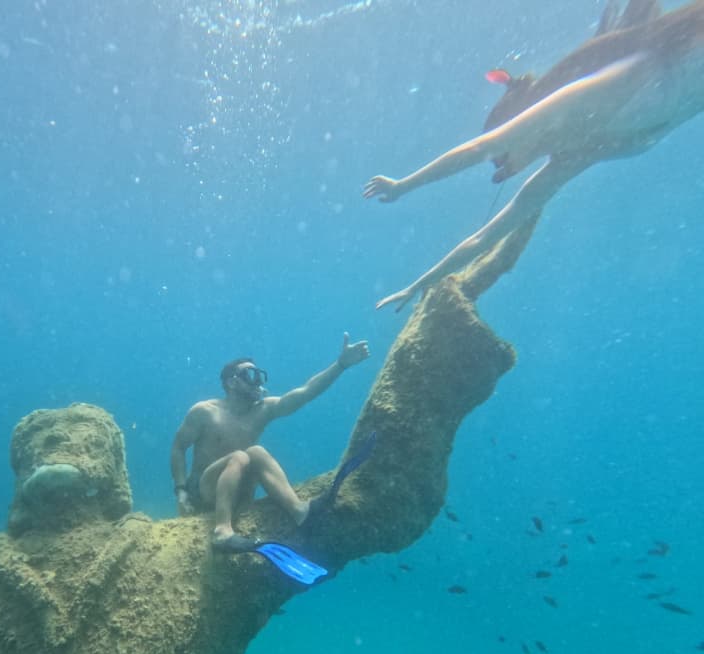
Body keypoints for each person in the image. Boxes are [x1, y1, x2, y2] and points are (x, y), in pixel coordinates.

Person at [363, 0, 704, 311]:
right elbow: (489, 234)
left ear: (519, 122)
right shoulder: (577, 152)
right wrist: (422, 282)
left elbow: (480, 148)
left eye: (502, 160)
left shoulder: (587, 97)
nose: (501, 173)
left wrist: (403, 186)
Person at [170, 334, 370, 552]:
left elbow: (304, 393)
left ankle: (300, 512)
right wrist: (181, 491)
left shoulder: (263, 410)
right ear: (231, 382)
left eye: (259, 375)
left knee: (255, 451)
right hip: (204, 492)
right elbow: (178, 448)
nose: (257, 381)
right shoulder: (205, 412)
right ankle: (222, 531)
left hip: (240, 492)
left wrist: (340, 365)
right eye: (249, 374)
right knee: (240, 456)